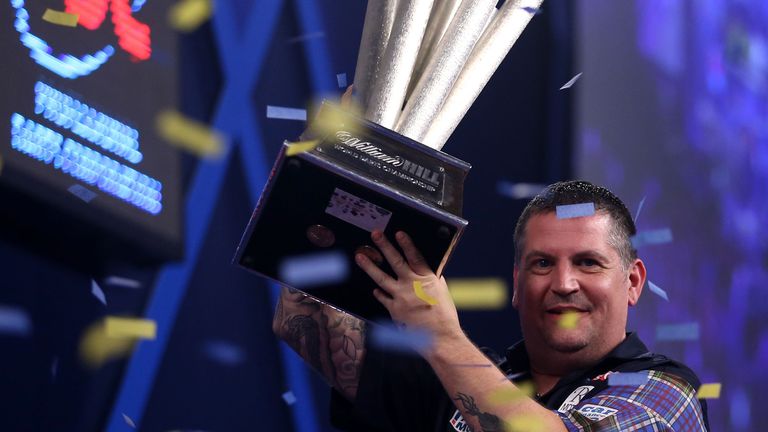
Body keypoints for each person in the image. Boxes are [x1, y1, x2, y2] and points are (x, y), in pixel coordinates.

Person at [273, 180, 710, 431]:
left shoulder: (665, 392)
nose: (563, 283)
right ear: (518, 284)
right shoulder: (466, 374)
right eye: (542, 264)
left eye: (588, 263)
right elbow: (302, 323)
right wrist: (334, 173)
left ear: (632, 282)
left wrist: (441, 336)